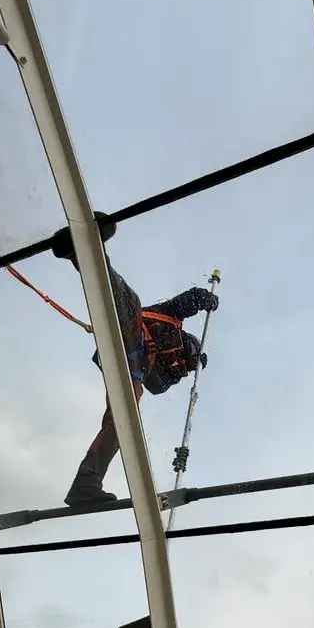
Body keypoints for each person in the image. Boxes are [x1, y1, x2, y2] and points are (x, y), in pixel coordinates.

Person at [50, 215, 219, 508]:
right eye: (188, 356)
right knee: (130, 301)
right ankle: (86, 253)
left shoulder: (169, 372)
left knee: (124, 421)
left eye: (188, 363)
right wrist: (204, 297)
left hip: (129, 366)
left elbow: (157, 386)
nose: (183, 362)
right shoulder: (170, 321)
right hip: (130, 333)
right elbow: (185, 301)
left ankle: (86, 483)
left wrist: (190, 368)